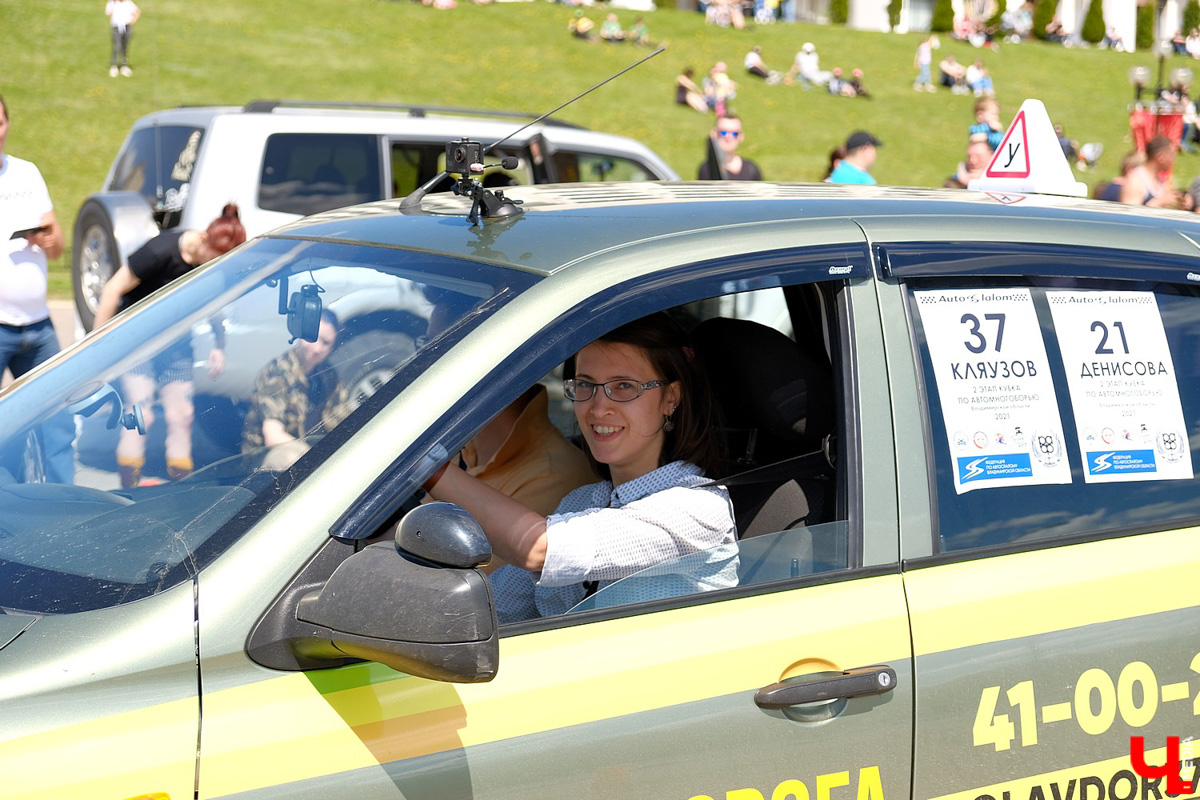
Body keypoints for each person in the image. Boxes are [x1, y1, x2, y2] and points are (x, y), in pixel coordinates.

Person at [422, 313, 735, 621]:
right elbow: (493, 607)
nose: (598, 408)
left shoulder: (699, 507)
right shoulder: (580, 501)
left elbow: (538, 549)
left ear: (671, 398)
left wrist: (427, 469)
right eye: (586, 385)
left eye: (624, 386)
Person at [94, 205, 247, 487]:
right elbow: (112, 289)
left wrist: (219, 345)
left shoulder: (212, 264)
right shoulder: (160, 251)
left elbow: (214, 304)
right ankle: (128, 488)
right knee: (141, 413)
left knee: (182, 415)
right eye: (211, 259)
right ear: (202, 239)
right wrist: (95, 347)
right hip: (136, 342)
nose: (211, 266)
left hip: (175, 344)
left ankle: (181, 489)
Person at [0, 94, 74, 484]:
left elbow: (58, 243)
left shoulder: (27, 173)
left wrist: (44, 239)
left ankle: (70, 507)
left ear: (8, 124)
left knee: (56, 421)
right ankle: (9, 510)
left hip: (39, 326)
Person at [241, 309, 352, 462]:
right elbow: (273, 436)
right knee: (290, 458)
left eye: (326, 343)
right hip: (266, 460)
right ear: (301, 333)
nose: (317, 348)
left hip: (310, 453)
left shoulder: (328, 376)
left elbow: (345, 422)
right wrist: (314, 458)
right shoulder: (278, 372)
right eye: (313, 337)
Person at [1119, 136, 1182, 208]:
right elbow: (1129, 215)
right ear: (1160, 157)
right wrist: (1160, 201)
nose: (1173, 161)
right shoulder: (1135, 180)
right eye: (1171, 156)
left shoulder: (1158, 181)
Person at [697, 114, 763, 181]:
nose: (728, 137)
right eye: (723, 132)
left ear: (741, 136)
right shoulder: (707, 169)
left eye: (735, 133)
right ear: (713, 134)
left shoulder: (751, 169)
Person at [105, 0, 140, 78]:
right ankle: (114, 66)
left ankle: (124, 66)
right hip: (116, 27)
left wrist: (131, 21)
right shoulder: (112, 2)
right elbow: (109, 13)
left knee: (125, 47)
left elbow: (137, 12)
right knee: (117, 46)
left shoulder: (128, 3)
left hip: (127, 27)